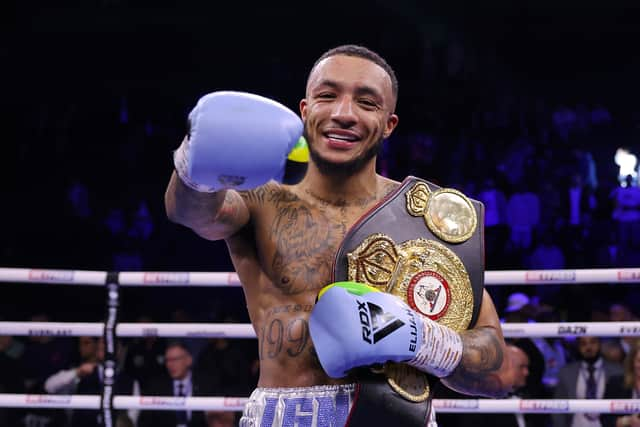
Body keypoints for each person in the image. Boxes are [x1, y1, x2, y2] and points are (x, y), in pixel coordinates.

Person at [164, 44, 512, 427]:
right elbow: (191, 213)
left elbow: (497, 372)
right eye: (327, 96)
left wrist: (422, 340)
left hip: (396, 419)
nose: (343, 113)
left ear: (389, 124)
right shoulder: (260, 198)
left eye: (366, 102)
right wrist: (193, 164)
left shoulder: (426, 220)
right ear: (305, 110)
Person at [553, 336, 623, 427]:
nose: (588, 347)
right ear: (578, 347)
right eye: (583, 344)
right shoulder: (566, 373)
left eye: (593, 342)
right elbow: (558, 410)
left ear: (600, 344)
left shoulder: (617, 371)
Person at [137, 340, 208, 427]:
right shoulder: (156, 387)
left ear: (189, 360)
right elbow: (145, 421)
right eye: (167, 360)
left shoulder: (206, 384)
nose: (170, 364)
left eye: (175, 359)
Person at [600, 340, 640, 427]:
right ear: (632, 361)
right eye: (639, 361)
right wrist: (627, 421)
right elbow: (605, 420)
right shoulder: (616, 383)